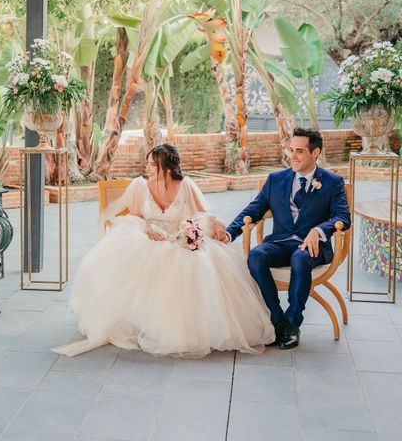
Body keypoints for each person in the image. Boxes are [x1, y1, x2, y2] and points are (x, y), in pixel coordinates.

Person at [54, 143, 275, 357]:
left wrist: (188, 230)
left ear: (166, 167)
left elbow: (203, 214)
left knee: (199, 261)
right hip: (150, 236)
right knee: (136, 254)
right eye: (148, 164)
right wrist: (149, 230)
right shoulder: (140, 186)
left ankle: (188, 326)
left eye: (152, 164)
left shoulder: (186, 185)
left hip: (179, 238)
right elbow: (135, 217)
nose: (147, 168)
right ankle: (140, 321)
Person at [225, 128, 350, 350]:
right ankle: (277, 320)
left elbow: (343, 217)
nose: (293, 155)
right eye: (291, 149)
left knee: (300, 258)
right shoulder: (275, 179)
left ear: (315, 152)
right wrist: (229, 233)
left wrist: (318, 231)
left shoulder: (332, 182)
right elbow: (253, 209)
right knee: (256, 256)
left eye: (300, 151)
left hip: (312, 247)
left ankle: (293, 323)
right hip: (280, 242)